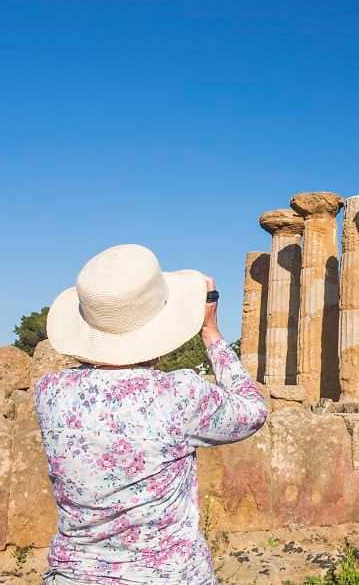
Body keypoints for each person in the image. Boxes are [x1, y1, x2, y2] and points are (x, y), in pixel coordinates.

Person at [35, 243, 268, 584]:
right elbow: (253, 411)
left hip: (73, 575)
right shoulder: (179, 395)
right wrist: (211, 332)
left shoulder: (50, 392)